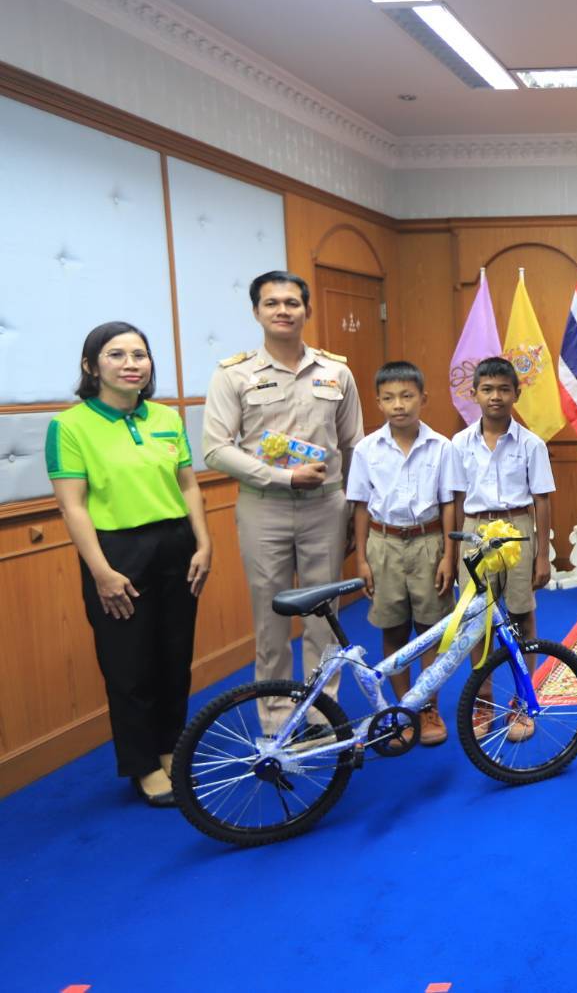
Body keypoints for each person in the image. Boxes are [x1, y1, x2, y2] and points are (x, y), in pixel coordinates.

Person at [47, 322, 212, 807]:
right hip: (116, 553)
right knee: (129, 664)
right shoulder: (70, 426)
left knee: (174, 657)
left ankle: (170, 748)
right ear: (91, 366)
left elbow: (188, 485)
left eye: (139, 354)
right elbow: (73, 506)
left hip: (177, 545)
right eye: (116, 355)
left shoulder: (165, 416)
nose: (131, 364)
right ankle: (142, 765)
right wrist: (100, 571)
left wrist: (204, 543)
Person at [204, 270, 363, 733]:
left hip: (326, 508)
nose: (282, 311)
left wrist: (356, 513)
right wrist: (283, 477)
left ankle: (321, 715)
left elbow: (355, 446)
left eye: (292, 303)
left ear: (307, 311)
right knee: (270, 622)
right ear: (256, 312)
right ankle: (275, 722)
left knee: (323, 619)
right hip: (264, 507)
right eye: (271, 303)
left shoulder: (336, 372)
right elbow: (215, 449)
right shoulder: (233, 374)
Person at [347, 361, 462, 747]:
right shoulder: (366, 449)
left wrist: (448, 555)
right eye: (390, 398)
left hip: (429, 542)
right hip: (384, 544)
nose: (399, 405)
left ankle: (427, 707)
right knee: (394, 628)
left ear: (423, 399)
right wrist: (362, 559)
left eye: (407, 396)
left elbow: (449, 504)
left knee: (430, 631)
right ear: (378, 402)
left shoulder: (442, 446)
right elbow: (360, 506)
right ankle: (402, 711)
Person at [451, 356, 555, 742]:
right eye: (487, 389)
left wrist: (542, 555)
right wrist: (451, 551)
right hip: (474, 531)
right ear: (474, 394)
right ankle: (483, 700)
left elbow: (542, 499)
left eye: (503, 389)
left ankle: (523, 699)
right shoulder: (460, 443)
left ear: (516, 394)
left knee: (521, 616)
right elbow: (454, 498)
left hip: (517, 529)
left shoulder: (531, 444)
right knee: (476, 620)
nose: (495, 396)